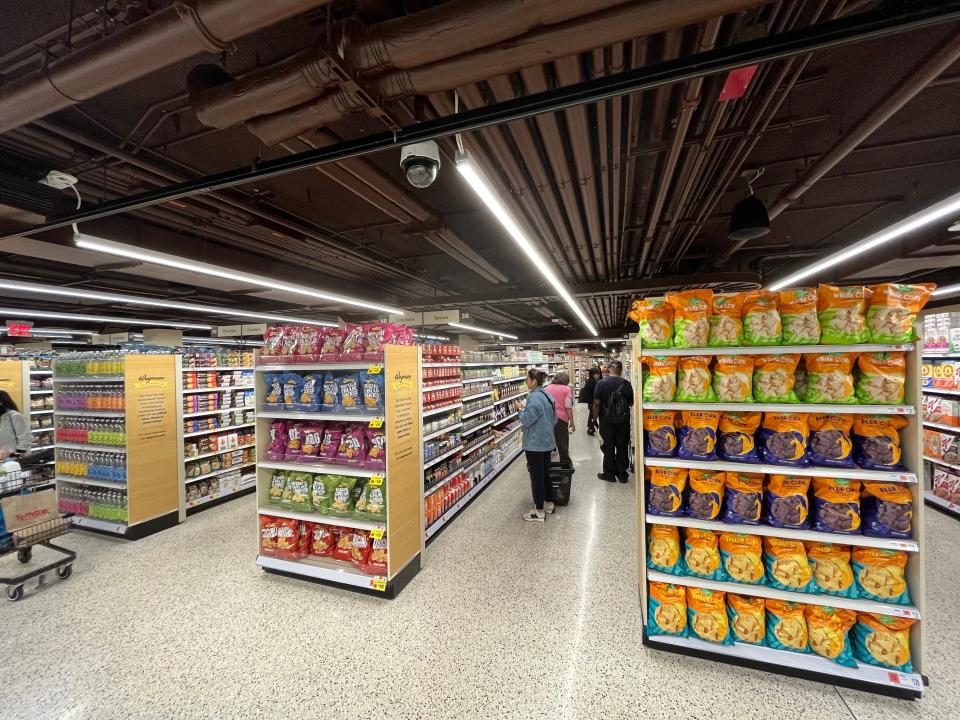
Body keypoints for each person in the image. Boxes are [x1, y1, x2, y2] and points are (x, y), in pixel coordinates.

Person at [518, 368, 557, 522]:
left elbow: (526, 420)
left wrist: (519, 411)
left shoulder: (533, 398)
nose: (526, 382)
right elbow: (554, 419)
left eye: (527, 379)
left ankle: (539, 511)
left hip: (535, 444)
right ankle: (548, 503)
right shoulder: (547, 394)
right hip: (547, 441)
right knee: (545, 473)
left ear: (534, 381)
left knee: (537, 477)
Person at [592, 360, 634, 483]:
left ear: (609, 369)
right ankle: (622, 473)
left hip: (606, 420)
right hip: (623, 420)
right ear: (621, 370)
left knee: (608, 446)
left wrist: (594, 419)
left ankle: (609, 473)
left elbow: (597, 403)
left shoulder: (601, 383)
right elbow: (631, 402)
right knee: (622, 445)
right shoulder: (626, 384)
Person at [543, 371, 575, 464]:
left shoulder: (547, 388)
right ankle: (565, 466)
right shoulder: (566, 389)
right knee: (562, 444)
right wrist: (572, 421)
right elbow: (568, 406)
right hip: (560, 419)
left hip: (547, 418)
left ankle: (546, 465)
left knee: (548, 442)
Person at [0, 390, 31, 461]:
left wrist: (13, 455)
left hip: (13, 462)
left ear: (1, 402)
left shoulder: (14, 416)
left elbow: (25, 439)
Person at [578, 367, 601, 436]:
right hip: (592, 401)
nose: (598, 376)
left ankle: (591, 427)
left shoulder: (589, 381)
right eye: (597, 374)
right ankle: (591, 428)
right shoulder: (593, 382)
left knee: (591, 414)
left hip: (590, 401)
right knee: (592, 415)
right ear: (593, 374)